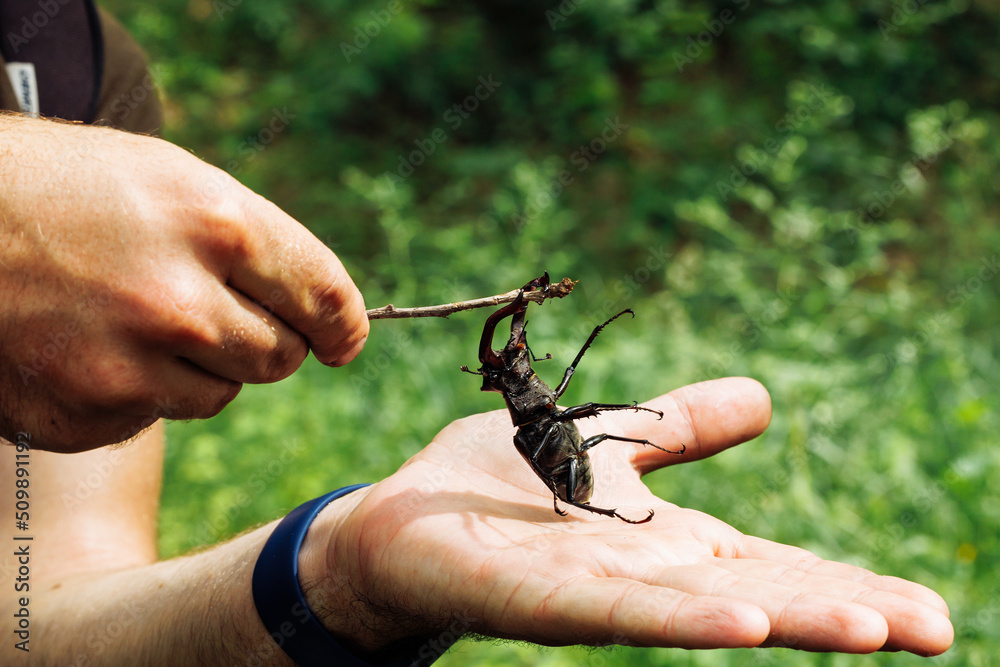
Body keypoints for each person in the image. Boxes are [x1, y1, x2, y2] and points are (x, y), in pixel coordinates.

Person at [0, 4, 953, 665]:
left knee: (592, 416)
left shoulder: (75, 70)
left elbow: (38, 624)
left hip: (556, 464)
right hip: (557, 452)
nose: (513, 368)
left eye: (511, 367)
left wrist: (337, 567)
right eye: (506, 369)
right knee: (590, 410)